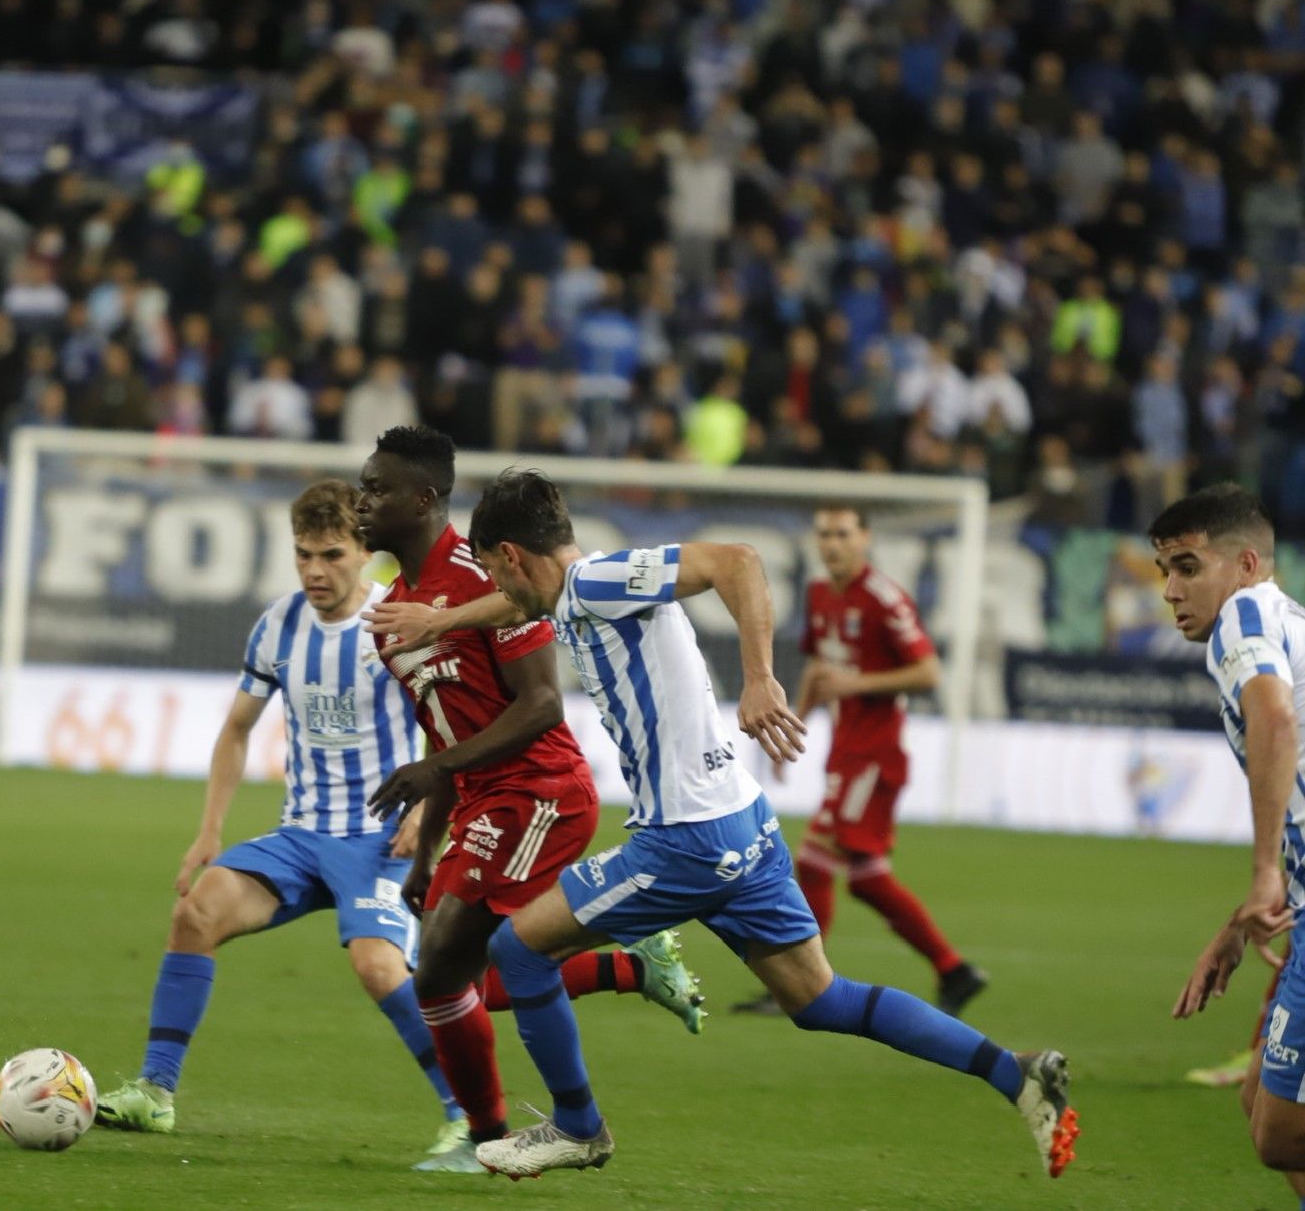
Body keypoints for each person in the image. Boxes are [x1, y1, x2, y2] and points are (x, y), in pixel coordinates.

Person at [368, 470, 1078, 1180]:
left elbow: (737, 560)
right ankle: (1015, 1072)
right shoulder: (576, 592)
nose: (495, 585)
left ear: (512, 555)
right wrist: (440, 621)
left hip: (682, 839)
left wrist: (761, 674)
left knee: (519, 952)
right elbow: (510, 605)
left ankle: (579, 1126)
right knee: (819, 997)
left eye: (493, 567)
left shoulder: (598, 582)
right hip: (743, 821)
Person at [95, 481, 692, 1167]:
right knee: (196, 915)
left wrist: (424, 817)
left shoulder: (405, 618)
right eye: (303, 555)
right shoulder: (278, 626)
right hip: (301, 833)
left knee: (399, 969)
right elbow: (235, 729)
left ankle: (465, 1117)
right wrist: (209, 829)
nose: (316, 570)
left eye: (332, 554)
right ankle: (156, 1090)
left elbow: (449, 717)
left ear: (363, 553)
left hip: (383, 836)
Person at [357, 428, 705, 1173]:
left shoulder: (487, 578)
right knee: (476, 973)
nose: (364, 501)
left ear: (423, 499)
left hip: (539, 788)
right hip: (484, 800)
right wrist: (427, 850)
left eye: (376, 488)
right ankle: (630, 966)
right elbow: (440, 739)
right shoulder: (396, 615)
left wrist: (440, 774)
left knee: (443, 965)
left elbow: (543, 702)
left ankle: (487, 1138)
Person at [734, 506, 987, 1017]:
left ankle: (803, 985)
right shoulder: (820, 594)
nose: (832, 544)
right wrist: (793, 721)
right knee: (867, 878)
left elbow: (929, 671)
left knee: (813, 861)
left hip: (876, 753)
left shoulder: (883, 598)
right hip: (845, 751)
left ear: (865, 539)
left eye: (843, 534)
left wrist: (859, 684)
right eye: (824, 534)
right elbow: (820, 666)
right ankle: (954, 971)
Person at [1153, 485, 1305, 1200]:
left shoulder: (1240, 617)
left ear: (1245, 563)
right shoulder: (1277, 616)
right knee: (1260, 1107)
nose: (1171, 590)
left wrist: (1264, 871)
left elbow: (1274, 716)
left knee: (1280, 1130)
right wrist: (1244, 916)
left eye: (1187, 566)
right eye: (1164, 573)